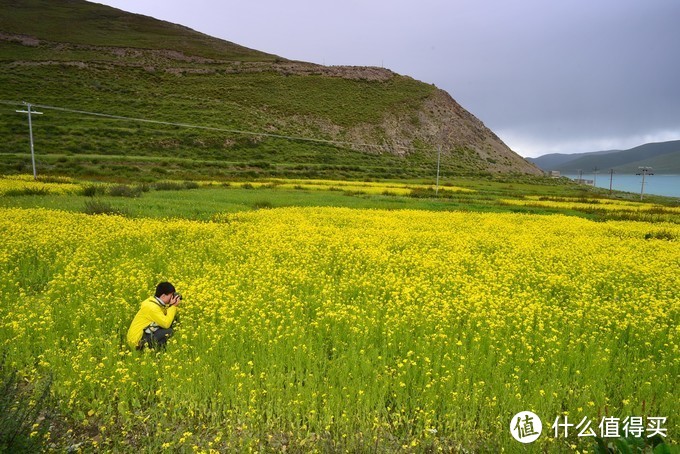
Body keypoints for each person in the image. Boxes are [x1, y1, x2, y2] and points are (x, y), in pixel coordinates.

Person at [127, 282, 181, 350]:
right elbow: (166, 323)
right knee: (169, 331)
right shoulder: (152, 307)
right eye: (171, 295)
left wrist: (171, 305)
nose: (172, 297)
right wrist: (173, 306)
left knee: (173, 323)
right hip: (137, 341)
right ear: (163, 296)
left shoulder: (155, 303)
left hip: (142, 335)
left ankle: (156, 351)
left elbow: (164, 317)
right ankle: (155, 353)